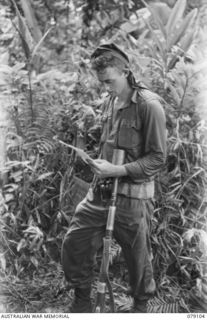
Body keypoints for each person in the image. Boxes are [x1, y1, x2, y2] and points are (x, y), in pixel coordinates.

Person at [61, 43, 167, 313]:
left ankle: (140, 308)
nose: (106, 87)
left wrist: (118, 170)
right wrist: (97, 162)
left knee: (138, 258)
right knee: (75, 242)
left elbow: (157, 158)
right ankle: (82, 300)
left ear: (126, 71)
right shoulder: (110, 100)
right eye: (102, 82)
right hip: (100, 193)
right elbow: (109, 145)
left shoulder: (149, 106)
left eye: (109, 81)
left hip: (132, 200)